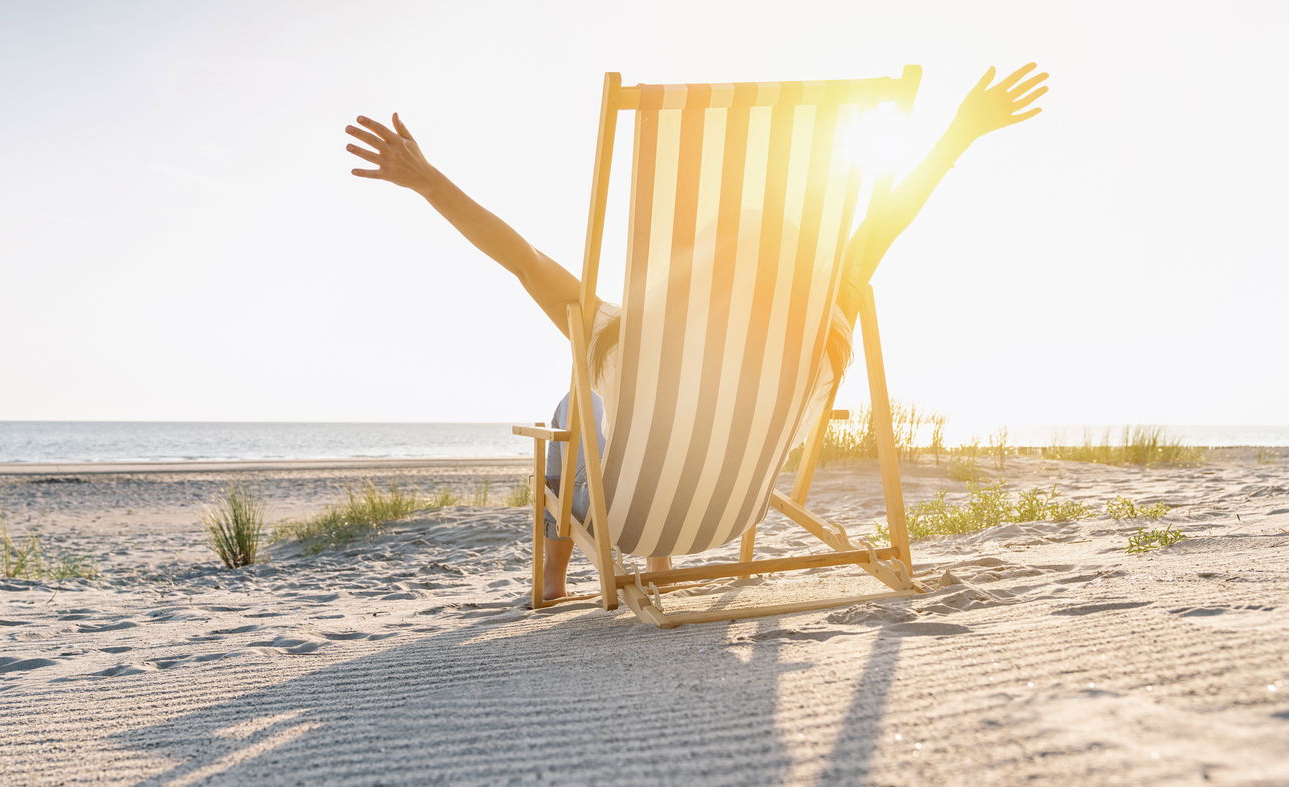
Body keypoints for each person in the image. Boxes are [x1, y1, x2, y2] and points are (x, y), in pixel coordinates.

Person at [345, 64, 1049, 600]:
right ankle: (660, 564)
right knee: (607, 414)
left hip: (631, 514)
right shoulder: (817, 340)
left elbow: (520, 258)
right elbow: (889, 215)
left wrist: (428, 182)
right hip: (725, 507)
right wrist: (962, 129)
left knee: (570, 411)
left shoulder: (627, 341)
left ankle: (558, 574)